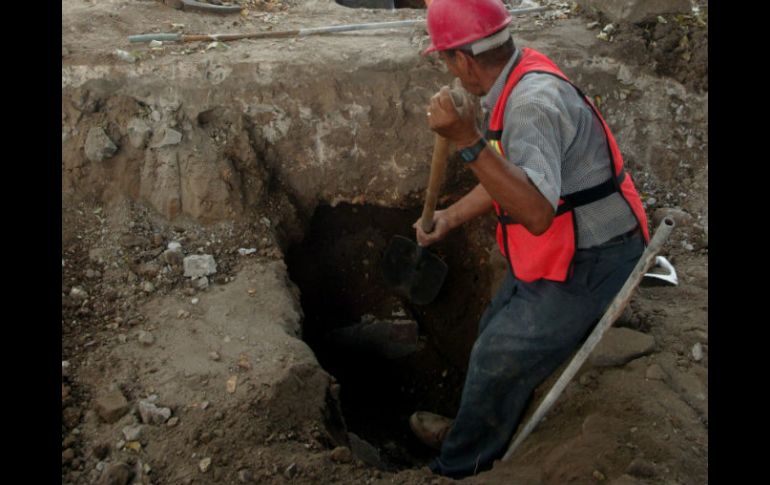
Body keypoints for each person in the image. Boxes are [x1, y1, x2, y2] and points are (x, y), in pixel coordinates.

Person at [407, 0, 650, 478]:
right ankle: (471, 428)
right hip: (564, 247)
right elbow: (508, 173)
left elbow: (536, 213)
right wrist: (449, 217)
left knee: (498, 356)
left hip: (595, 257)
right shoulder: (517, 74)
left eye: (445, 60)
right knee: (490, 331)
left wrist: (466, 139)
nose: (450, 73)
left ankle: (457, 465)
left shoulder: (531, 103)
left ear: (464, 60)